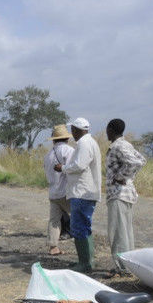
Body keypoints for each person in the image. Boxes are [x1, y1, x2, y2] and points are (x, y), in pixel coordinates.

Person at [54, 117, 101, 273]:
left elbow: (79, 165)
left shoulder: (83, 143)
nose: (71, 133)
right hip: (85, 191)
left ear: (77, 129)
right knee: (84, 227)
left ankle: (85, 263)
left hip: (81, 192)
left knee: (79, 227)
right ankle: (87, 261)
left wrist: (63, 168)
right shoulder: (90, 142)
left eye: (73, 129)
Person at [105, 118, 146, 277]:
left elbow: (136, 162)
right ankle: (129, 266)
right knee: (126, 232)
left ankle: (122, 267)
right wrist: (128, 177)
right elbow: (142, 160)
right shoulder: (126, 144)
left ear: (110, 129)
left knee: (118, 233)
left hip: (118, 194)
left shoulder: (117, 146)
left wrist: (120, 176)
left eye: (107, 129)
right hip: (126, 193)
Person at [43, 124, 75, 255]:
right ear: (67, 138)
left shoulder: (48, 155)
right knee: (79, 217)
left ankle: (53, 247)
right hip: (66, 192)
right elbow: (74, 169)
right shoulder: (69, 151)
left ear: (54, 140)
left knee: (54, 220)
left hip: (53, 192)